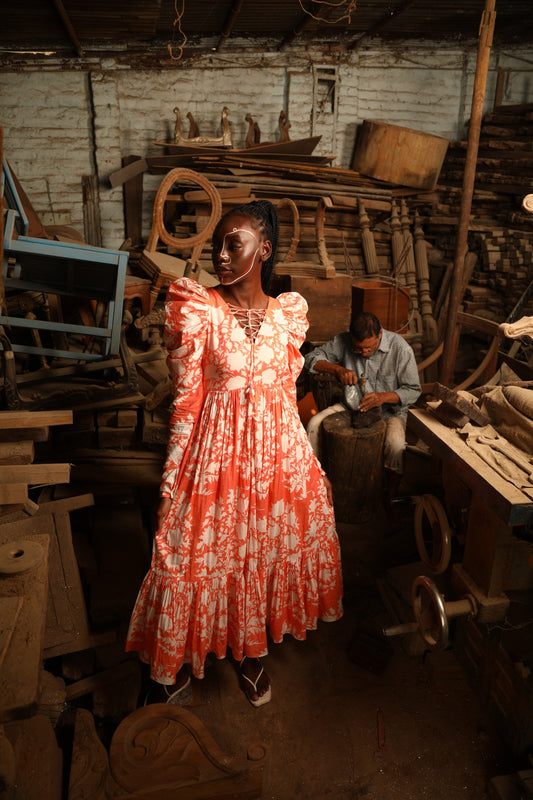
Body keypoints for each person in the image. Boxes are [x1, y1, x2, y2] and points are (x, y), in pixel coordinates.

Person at [126, 199, 343, 708]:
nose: (220, 255)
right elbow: (185, 404)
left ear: (263, 250)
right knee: (187, 553)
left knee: (263, 552)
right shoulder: (198, 307)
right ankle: (175, 660)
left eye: (233, 243)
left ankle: (250, 656)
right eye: (217, 245)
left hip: (278, 460)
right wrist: (171, 482)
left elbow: (286, 401)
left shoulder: (288, 315)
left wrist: (312, 465)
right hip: (217, 459)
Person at [304, 311, 421, 508]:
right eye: (359, 349)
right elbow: (310, 359)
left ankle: (390, 498)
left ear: (380, 334)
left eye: (370, 348)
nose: (364, 353)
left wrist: (383, 397)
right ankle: (316, 487)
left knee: (396, 445)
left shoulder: (401, 349)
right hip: (352, 405)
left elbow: (413, 390)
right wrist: (338, 369)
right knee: (314, 424)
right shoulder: (343, 341)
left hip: (389, 412)